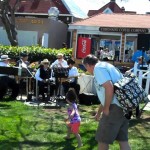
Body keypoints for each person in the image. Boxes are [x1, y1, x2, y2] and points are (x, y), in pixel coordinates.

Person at [82, 54, 131, 150]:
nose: (87, 70)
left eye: (85, 68)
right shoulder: (107, 66)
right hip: (124, 106)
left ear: (88, 65)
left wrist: (107, 108)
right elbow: (106, 94)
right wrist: (99, 112)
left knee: (102, 139)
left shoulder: (98, 69)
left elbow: (109, 87)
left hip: (114, 108)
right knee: (123, 140)